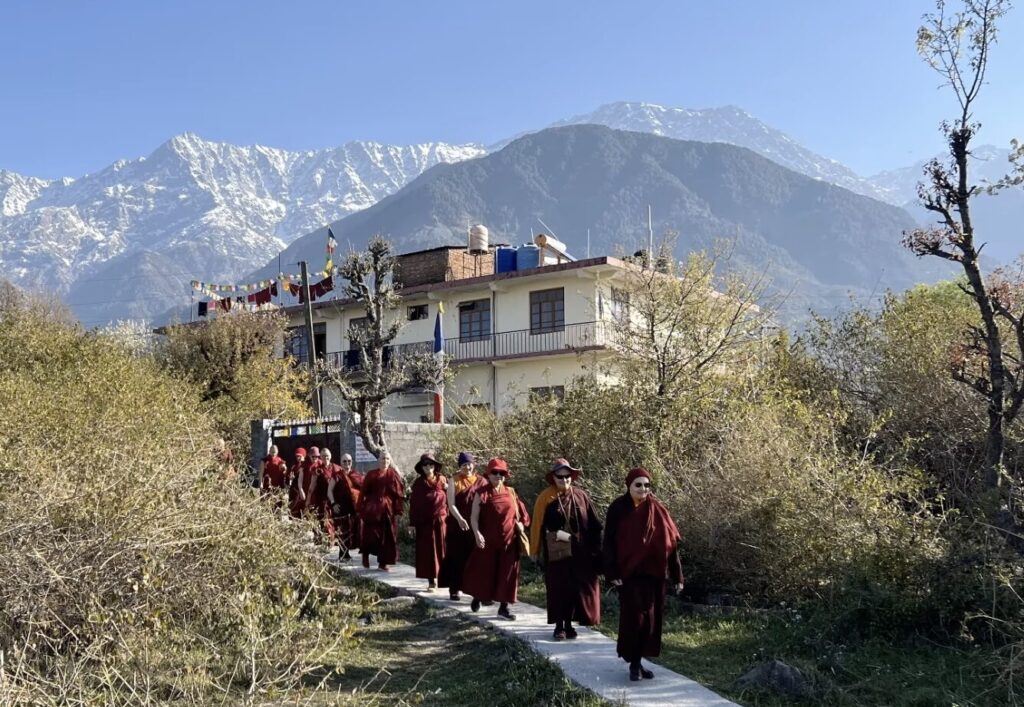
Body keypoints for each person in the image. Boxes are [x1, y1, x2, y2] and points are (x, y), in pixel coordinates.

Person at [603, 468, 683, 682]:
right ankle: (634, 663)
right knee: (634, 619)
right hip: (629, 575)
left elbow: (671, 544)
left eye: (647, 485)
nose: (643, 489)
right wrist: (611, 571)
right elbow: (609, 542)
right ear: (628, 485)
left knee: (650, 621)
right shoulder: (618, 508)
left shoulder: (657, 509)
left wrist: (678, 576)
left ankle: (638, 662)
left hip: (654, 575)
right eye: (638, 485)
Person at [536, 458, 603, 641]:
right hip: (557, 551)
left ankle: (570, 625)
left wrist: (596, 550)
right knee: (559, 589)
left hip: (580, 552)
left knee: (576, 588)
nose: (564, 480)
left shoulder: (581, 496)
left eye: (567, 477)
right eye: (560, 477)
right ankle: (559, 626)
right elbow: (537, 525)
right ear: (553, 477)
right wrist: (534, 550)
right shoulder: (546, 497)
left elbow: (594, 523)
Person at [462, 458, 530, 620]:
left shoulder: (511, 493)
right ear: (488, 474)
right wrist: (477, 534)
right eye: (495, 473)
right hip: (488, 541)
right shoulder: (481, 493)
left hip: (509, 541)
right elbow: (474, 517)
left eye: (501, 473)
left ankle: (503, 608)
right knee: (485, 572)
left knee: (507, 574)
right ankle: (478, 596)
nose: (498, 476)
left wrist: (521, 524)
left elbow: (523, 515)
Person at [439, 451, 488, 601]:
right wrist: (460, 519)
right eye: (464, 465)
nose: (467, 467)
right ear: (460, 466)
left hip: (476, 525)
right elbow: (451, 503)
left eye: (469, 464)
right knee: (456, 557)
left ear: (474, 465)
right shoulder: (454, 480)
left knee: (475, 559)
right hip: (457, 525)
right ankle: (455, 588)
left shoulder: (481, 481)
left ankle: (475, 589)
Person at [358, 450, 404, 571]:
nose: (385, 461)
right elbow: (363, 492)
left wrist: (398, 509)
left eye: (387, 459)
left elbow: (398, 493)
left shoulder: (393, 474)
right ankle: (365, 555)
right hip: (373, 509)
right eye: (383, 458)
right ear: (378, 460)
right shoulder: (371, 474)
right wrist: (361, 507)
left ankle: (383, 563)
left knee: (387, 536)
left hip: (388, 510)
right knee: (371, 535)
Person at [409, 453, 448, 591]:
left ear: (435, 466)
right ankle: (432, 580)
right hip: (424, 524)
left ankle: (443, 577)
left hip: (441, 522)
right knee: (428, 552)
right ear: (422, 467)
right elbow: (413, 505)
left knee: (442, 550)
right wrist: (412, 524)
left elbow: (449, 500)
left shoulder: (443, 480)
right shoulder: (418, 484)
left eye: (431, 464)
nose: (428, 467)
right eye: (425, 465)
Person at [327, 452, 361, 559]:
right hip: (341, 506)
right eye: (344, 461)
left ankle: (348, 552)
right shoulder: (337, 475)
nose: (347, 463)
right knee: (342, 530)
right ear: (341, 463)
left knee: (352, 530)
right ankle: (342, 553)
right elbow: (329, 491)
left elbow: (363, 489)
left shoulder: (356, 475)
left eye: (349, 461)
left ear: (352, 462)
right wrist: (333, 503)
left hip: (353, 506)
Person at [287, 448, 308, 518]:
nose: (298, 458)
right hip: (294, 491)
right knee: (293, 511)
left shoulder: (307, 465)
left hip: (304, 490)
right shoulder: (294, 466)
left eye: (300, 456)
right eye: (297, 456)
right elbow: (289, 477)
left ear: (304, 456)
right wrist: (290, 477)